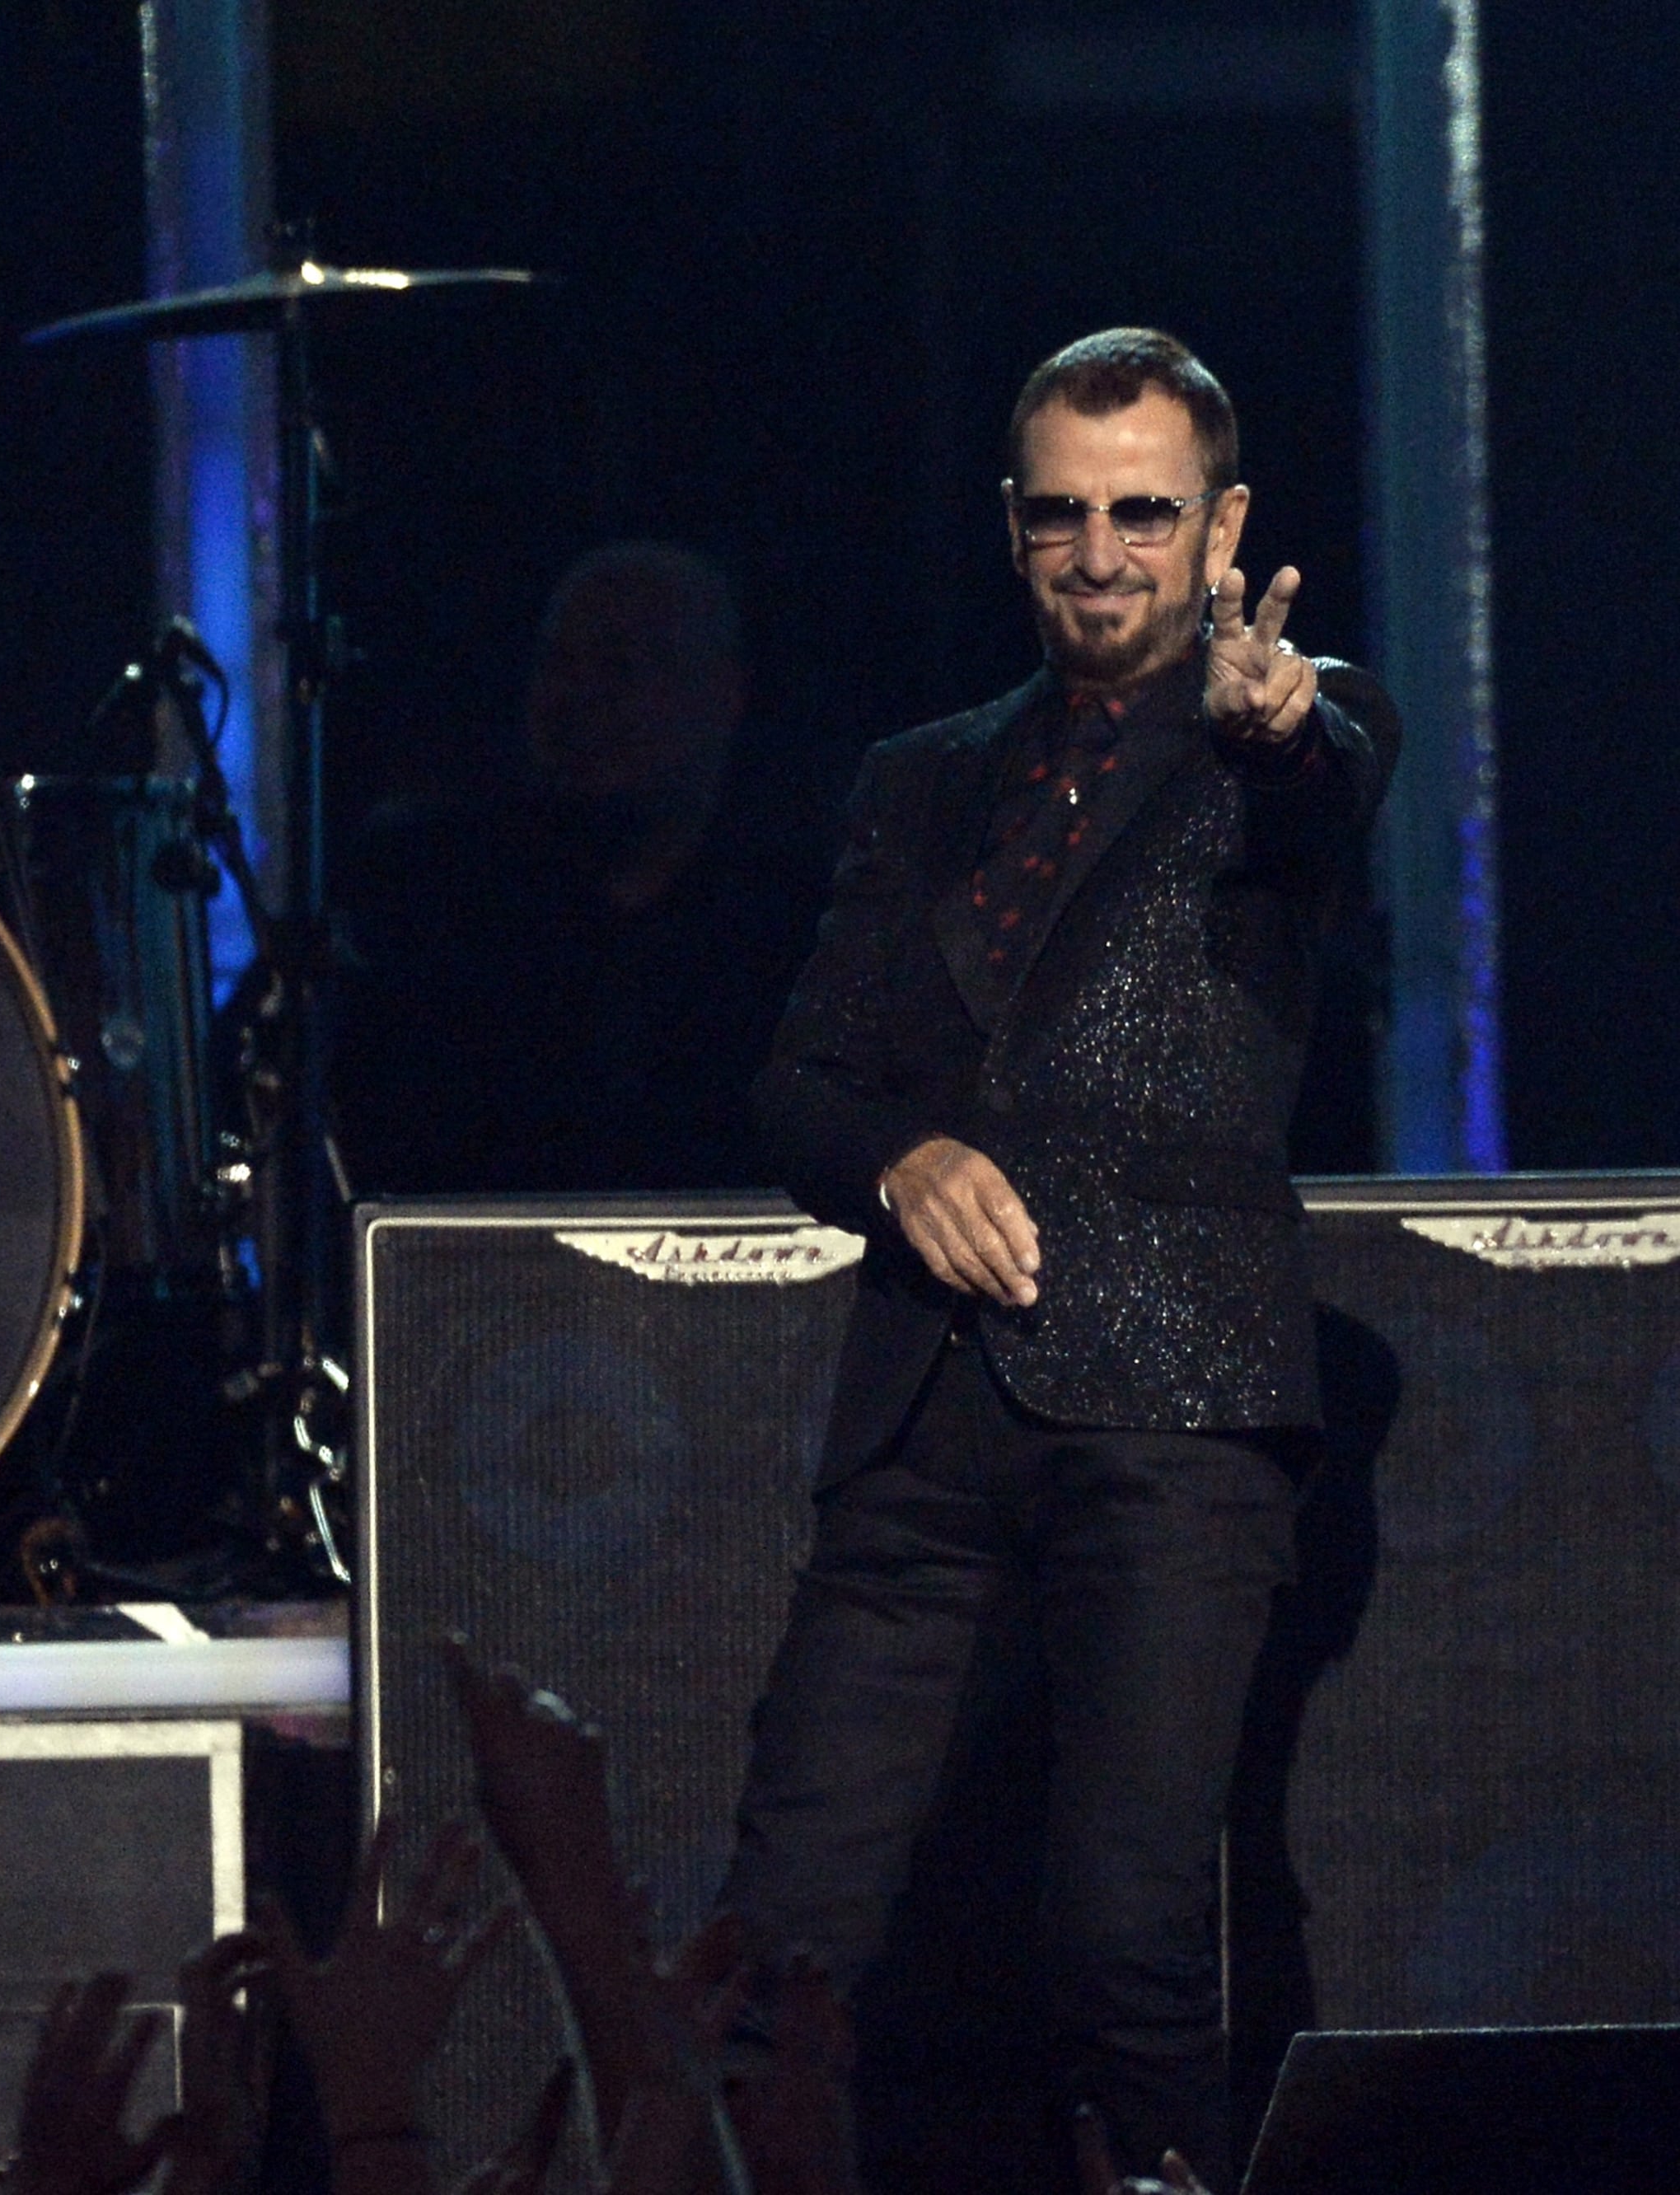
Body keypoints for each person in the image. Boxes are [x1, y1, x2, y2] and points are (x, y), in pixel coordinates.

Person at [717, 329, 1397, 2186]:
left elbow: (1322, 780)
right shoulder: (919, 776)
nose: (1101, 556)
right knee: (776, 1944)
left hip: (1176, 1419)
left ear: (1223, 523)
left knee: (1128, 1940)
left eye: (1145, 516)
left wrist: (1282, 726)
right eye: (1063, 516)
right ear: (1013, 529)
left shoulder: (1292, 732)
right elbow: (794, 1084)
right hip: (927, 1427)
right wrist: (895, 1156)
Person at [335, 541, 833, 1196]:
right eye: (558, 664)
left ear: (721, 691)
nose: (577, 698)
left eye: (618, 667)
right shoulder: (449, 905)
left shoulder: (800, 921)